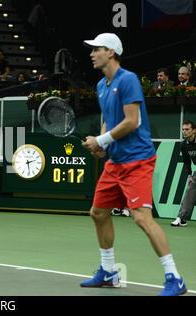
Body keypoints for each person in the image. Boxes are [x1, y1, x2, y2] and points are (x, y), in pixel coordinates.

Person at [80, 33, 186, 296]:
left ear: (112, 52)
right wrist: (102, 146)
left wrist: (101, 138)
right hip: (115, 161)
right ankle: (108, 271)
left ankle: (175, 278)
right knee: (98, 212)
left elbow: (132, 121)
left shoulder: (128, 80)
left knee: (141, 217)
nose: (92, 53)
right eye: (92, 50)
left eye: (97, 49)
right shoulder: (101, 85)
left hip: (137, 160)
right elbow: (108, 117)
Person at [171, 120, 196, 227]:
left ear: (194, 131)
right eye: (183, 129)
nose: (184, 132)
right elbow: (186, 161)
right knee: (191, 188)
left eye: (187, 129)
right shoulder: (184, 144)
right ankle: (181, 218)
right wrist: (189, 175)